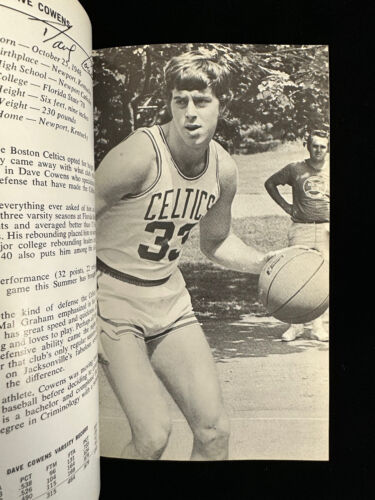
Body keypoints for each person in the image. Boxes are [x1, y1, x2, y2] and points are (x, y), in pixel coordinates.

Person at [96, 49, 275, 461]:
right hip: (111, 296)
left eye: (202, 101)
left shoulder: (223, 170)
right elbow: (68, 224)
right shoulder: (140, 155)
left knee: (214, 435)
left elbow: (215, 243)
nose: (190, 113)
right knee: (153, 436)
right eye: (181, 101)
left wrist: (265, 262)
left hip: (169, 299)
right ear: (170, 103)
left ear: (222, 105)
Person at [264, 130, 330, 342]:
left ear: (328, 148)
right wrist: (286, 206)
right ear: (308, 146)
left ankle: (318, 327)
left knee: (321, 278)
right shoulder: (295, 169)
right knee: (295, 276)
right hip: (300, 227)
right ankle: (296, 326)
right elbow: (270, 183)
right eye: (315, 145)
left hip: (325, 229)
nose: (318, 150)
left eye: (323, 146)